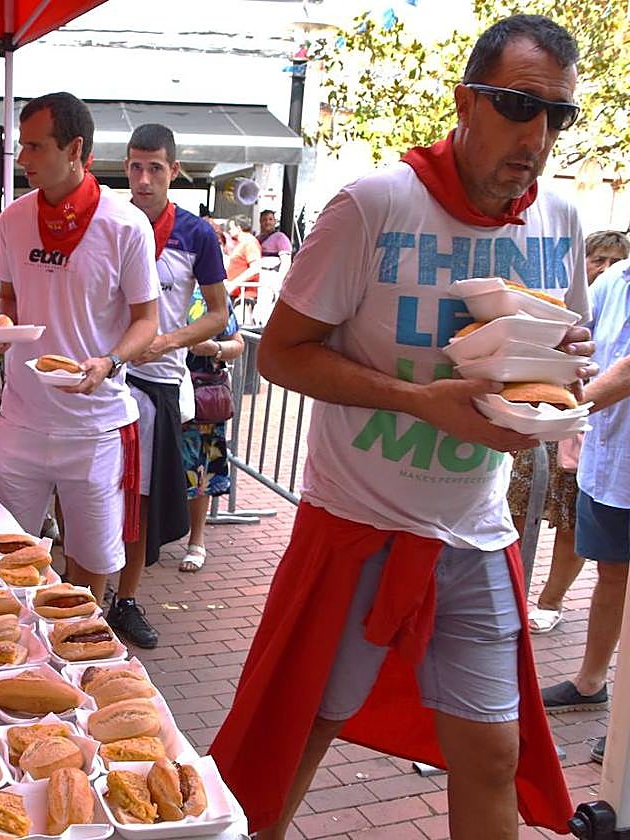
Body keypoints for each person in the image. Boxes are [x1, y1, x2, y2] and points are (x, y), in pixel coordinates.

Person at [208, 16, 596, 838]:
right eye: (518, 106)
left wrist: (559, 377)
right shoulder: (373, 205)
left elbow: (567, 352)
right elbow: (279, 355)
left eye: (557, 116)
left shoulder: (559, 219)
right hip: (357, 527)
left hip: (477, 533)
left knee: (493, 755)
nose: (537, 134)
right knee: (293, 738)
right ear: (466, 103)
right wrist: (421, 400)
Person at [0, 91, 160, 603]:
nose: (23, 160)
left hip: (95, 426)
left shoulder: (126, 224)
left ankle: (80, 656)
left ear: (75, 149)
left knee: (90, 561)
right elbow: (9, 297)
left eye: (36, 147)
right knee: (6, 554)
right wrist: (2, 324)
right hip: (19, 420)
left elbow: (146, 320)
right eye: (24, 146)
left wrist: (110, 362)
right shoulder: (13, 219)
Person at [115, 123, 228, 647]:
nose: (143, 178)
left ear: (173, 170)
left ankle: (126, 601)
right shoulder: (109, 222)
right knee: (90, 496)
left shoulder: (196, 233)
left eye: (154, 167)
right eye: (135, 167)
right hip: (104, 378)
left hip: (158, 385)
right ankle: (79, 602)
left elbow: (219, 315)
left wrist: (169, 341)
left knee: (138, 503)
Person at [510, 229, 629, 634]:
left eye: (614, 259)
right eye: (599, 258)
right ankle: (513, 595)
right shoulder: (614, 285)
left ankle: (550, 601)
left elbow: (624, 371)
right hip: (575, 431)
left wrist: (562, 408)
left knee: (570, 523)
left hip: (579, 425)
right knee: (520, 509)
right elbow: (573, 344)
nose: (605, 267)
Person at [538, 253, 630, 764]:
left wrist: (565, 409)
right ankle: (592, 682)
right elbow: (584, 339)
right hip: (611, 462)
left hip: (606, 446)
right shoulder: (616, 277)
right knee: (611, 575)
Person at [180, 300, 245, 572]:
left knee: (200, 469)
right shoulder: (155, 285)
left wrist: (214, 348)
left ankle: (197, 540)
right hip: (160, 388)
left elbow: (237, 343)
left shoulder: (212, 296)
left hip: (202, 394)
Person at [224, 215, 262, 322]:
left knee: (242, 326)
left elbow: (255, 268)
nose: (230, 231)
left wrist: (234, 283)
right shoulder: (242, 244)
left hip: (244, 296)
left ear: (239, 228)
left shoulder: (250, 243)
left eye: (231, 228)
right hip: (236, 294)